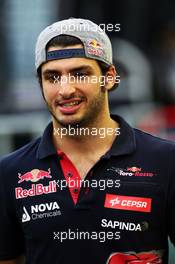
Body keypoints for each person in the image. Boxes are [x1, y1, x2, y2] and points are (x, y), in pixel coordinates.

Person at [0, 18, 175, 264]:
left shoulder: (165, 160)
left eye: (80, 74)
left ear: (110, 77)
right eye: (52, 77)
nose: (65, 90)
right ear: (40, 84)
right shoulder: (10, 172)